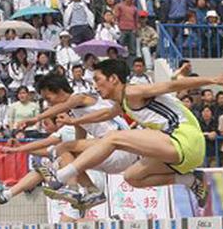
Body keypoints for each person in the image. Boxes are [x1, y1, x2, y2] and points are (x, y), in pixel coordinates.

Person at [38, 59, 223, 207]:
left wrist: (212, 79)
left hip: (183, 139)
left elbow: (170, 85)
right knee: (133, 177)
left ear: (113, 79)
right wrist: (75, 121)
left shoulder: (132, 91)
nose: (95, 86)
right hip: (177, 154)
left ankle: (63, 175)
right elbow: (105, 113)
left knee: (114, 137)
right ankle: (191, 180)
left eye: (98, 80)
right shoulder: (122, 102)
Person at [8, 74, 138, 208]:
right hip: (114, 154)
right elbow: (78, 141)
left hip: (120, 146)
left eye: (48, 98)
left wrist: (36, 119)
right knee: (67, 155)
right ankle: (92, 192)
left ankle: (72, 188)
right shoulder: (76, 113)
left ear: (59, 91)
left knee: (62, 148)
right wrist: (66, 159)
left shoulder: (81, 96)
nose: (48, 103)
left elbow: (65, 106)